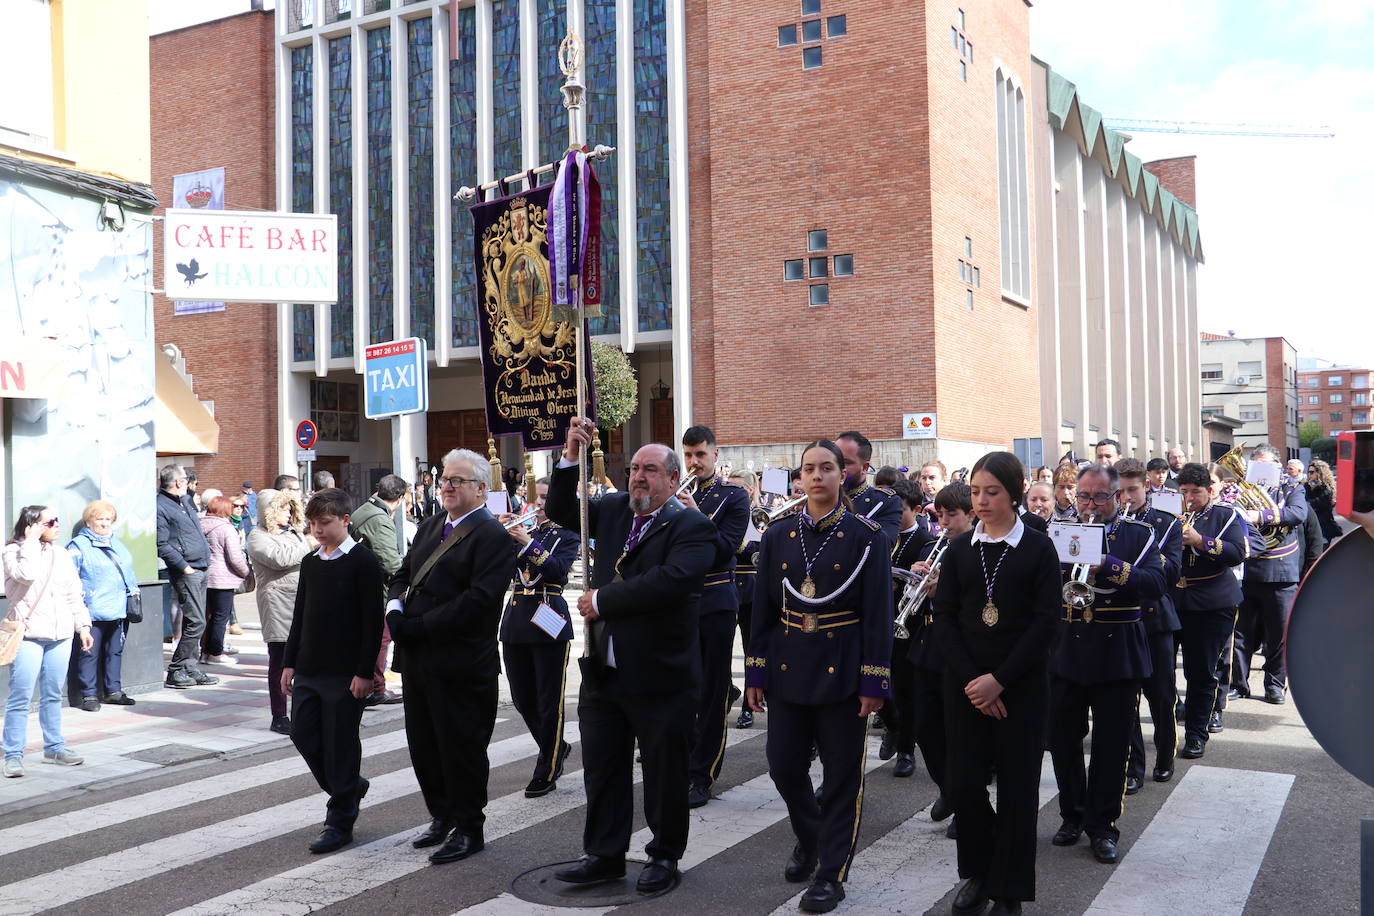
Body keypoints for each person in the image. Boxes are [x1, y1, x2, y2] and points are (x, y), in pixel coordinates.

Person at [545, 419, 715, 895]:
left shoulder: (692, 526)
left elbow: (673, 580)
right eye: (634, 468)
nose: (638, 477)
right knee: (603, 769)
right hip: (604, 672)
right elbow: (561, 509)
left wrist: (602, 601)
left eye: (651, 470)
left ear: (673, 480)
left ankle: (664, 856)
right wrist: (571, 455)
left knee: (663, 773)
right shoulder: (617, 509)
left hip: (661, 675)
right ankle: (604, 854)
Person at [745, 439, 892, 914]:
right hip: (789, 664)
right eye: (808, 469)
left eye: (826, 468)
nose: (817, 477)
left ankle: (831, 873)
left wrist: (874, 681)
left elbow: (877, 616)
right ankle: (810, 837)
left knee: (842, 775)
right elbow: (763, 611)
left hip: (843, 668)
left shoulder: (866, 536)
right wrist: (756, 673)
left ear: (841, 474)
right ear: (799, 477)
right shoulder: (778, 534)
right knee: (784, 765)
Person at [931, 452, 1060, 916]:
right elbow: (943, 618)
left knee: (1017, 790)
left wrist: (999, 681)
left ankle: (1009, 889)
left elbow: (1046, 624)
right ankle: (980, 872)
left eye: (992, 492)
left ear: (1015, 492)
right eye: (976, 492)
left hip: (1019, 687)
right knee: (963, 784)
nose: (981, 501)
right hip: (964, 687)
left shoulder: (1039, 547)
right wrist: (973, 682)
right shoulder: (960, 549)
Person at [386, 449, 517, 865]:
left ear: (481, 489)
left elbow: (479, 601)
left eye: (458, 480)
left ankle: (469, 826)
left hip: (460, 661)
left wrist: (421, 626)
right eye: (445, 478)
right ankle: (441, 815)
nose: (447, 485)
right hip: (419, 658)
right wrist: (394, 609)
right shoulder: (429, 526)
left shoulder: (492, 536)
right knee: (424, 743)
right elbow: (403, 574)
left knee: (460, 746)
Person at [1048, 463, 1165, 865]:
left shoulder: (1140, 534)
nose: (1090, 504)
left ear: (1117, 497)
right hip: (1066, 648)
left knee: (1112, 745)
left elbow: (1157, 583)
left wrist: (1110, 566)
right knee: (1062, 739)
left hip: (1119, 651)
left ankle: (1103, 826)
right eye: (1083, 496)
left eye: (1099, 497)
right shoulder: (1057, 531)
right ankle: (1072, 814)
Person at [281, 488, 385, 855]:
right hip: (309, 667)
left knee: (341, 745)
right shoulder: (311, 562)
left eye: (324, 523)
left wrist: (364, 672)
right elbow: (300, 616)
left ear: (344, 520)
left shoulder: (364, 562)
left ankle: (339, 819)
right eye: (312, 524)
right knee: (303, 734)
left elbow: (373, 623)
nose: (317, 530)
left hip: (345, 673)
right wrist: (289, 662)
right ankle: (349, 787)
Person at [677, 425, 751, 809]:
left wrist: (696, 517)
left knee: (710, 690)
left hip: (715, 601)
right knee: (680, 688)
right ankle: (679, 760)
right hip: (677, 602)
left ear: (715, 456)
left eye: (700, 455)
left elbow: (726, 550)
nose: (693, 463)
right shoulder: (672, 495)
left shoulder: (733, 496)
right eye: (688, 455)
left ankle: (701, 775)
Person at [499, 477, 578, 798]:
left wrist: (528, 543)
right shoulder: (522, 530)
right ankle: (556, 746)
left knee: (549, 700)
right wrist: (499, 536)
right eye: (539, 497)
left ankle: (547, 763)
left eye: (548, 498)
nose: (542, 503)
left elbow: (559, 570)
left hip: (549, 617)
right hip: (517, 619)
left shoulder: (569, 533)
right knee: (522, 698)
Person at [3, 506, 93, 776]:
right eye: (50, 521)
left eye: (57, 520)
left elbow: (73, 594)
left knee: (53, 694)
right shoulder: (12, 551)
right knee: (20, 697)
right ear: (32, 525)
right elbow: (26, 575)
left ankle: (54, 747)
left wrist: (83, 626)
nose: (57, 525)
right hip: (29, 633)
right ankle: (13, 755)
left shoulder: (61, 553)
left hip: (61, 634)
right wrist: (30, 542)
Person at [907, 481, 976, 832]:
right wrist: (915, 580)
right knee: (924, 726)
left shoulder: (977, 550)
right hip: (927, 644)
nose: (945, 521)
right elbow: (918, 598)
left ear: (970, 515)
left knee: (957, 732)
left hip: (959, 646)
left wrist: (941, 591)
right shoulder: (935, 545)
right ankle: (948, 789)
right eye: (941, 514)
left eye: (952, 514)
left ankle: (965, 804)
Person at [1173, 463, 1248, 758]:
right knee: (1161, 669)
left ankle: (1196, 733)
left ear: (1210, 490)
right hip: (1172, 599)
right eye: (1184, 491)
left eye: (1196, 492)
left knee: (1201, 671)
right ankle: (1169, 727)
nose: (1189, 497)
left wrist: (1200, 541)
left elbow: (1237, 553)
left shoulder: (1225, 515)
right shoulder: (1168, 514)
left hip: (1211, 601)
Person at [1117, 459, 1183, 792]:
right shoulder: (1109, 524)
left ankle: (1165, 757)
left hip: (1156, 618)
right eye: (1121, 490)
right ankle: (1133, 767)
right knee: (1127, 698)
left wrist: (1129, 566)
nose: (1126, 497)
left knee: (1161, 695)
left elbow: (1169, 573)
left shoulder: (1166, 523)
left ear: (1146, 487)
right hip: (1122, 618)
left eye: (1133, 489)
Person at [1233, 444, 1308, 704]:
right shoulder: (1239, 491)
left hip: (1280, 571)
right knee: (1240, 634)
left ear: (1277, 467)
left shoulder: (1292, 488)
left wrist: (1259, 515)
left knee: (1278, 636)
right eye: (1257, 466)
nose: (1262, 472)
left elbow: (1298, 513)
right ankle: (1238, 683)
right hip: (1247, 570)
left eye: (1267, 466)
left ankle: (1275, 685)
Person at [879, 479, 936, 777]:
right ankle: (891, 724)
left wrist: (917, 572)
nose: (891, 516)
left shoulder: (925, 541)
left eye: (898, 510)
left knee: (904, 688)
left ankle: (905, 750)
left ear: (915, 509)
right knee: (875, 681)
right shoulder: (878, 535)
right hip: (877, 617)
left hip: (908, 622)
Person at [248, 488, 312, 734]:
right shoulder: (257, 536)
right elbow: (280, 559)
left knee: (303, 660)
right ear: (270, 512)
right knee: (280, 660)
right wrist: (308, 545)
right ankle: (279, 715)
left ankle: (302, 709)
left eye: (289, 507)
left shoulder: (294, 533)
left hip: (300, 601)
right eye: (283, 508)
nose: (288, 512)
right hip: (276, 603)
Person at [67, 501, 139, 711]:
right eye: (99, 519)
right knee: (88, 653)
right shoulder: (78, 546)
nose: (104, 523)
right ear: (88, 521)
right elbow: (71, 578)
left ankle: (113, 691)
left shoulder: (118, 543)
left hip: (118, 608)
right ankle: (88, 695)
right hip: (92, 609)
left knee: (114, 651)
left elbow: (128, 572)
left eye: (108, 519)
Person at [348, 474, 409, 706]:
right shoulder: (379, 519)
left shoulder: (365, 509)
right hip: (375, 589)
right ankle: (376, 688)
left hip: (360, 584)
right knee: (381, 639)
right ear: (401, 498)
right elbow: (390, 562)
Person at [158, 464, 219, 689]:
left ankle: (190, 668)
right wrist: (184, 567)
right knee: (196, 621)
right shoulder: (161, 505)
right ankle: (176, 669)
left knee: (194, 620)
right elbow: (161, 544)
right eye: (186, 478)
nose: (189, 481)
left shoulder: (184, 501)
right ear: (178, 482)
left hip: (200, 566)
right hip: (189, 570)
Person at [199, 496, 249, 666]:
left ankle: (204, 651)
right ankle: (215, 653)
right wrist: (246, 571)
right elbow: (235, 558)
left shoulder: (200, 525)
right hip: (222, 578)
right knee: (221, 617)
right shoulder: (226, 529)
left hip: (204, 577)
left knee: (207, 616)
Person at [728, 469, 760, 729]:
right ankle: (727, 691)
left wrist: (734, 542)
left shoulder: (760, 517)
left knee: (750, 650)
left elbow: (759, 550)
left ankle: (748, 707)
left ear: (749, 491)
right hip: (727, 588)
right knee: (720, 649)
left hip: (751, 589)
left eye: (737, 488)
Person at [836, 430, 902, 543]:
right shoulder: (817, 497)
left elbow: (883, 546)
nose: (837, 467)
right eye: (834, 460)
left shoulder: (885, 502)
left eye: (846, 462)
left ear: (865, 468)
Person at [1305, 460, 1342, 546]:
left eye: (1312, 472)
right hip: (1310, 525)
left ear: (1320, 473)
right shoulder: (1307, 485)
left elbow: (1317, 503)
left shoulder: (1326, 488)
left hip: (1323, 526)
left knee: (1320, 553)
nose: (1309, 475)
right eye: (1308, 472)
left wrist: (1314, 489)